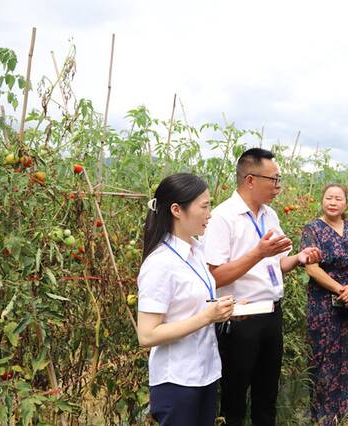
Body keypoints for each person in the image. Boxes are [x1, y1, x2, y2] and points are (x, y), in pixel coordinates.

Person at [203, 148, 321, 426]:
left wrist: (298, 259)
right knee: (234, 398)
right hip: (240, 319)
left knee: (266, 396)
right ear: (251, 180)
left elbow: (276, 264)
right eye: (274, 179)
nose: (278, 187)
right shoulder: (223, 217)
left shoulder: (270, 215)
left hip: (270, 316)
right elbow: (215, 277)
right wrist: (258, 252)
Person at [136, 173, 235, 425]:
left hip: (206, 372)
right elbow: (147, 335)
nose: (209, 214)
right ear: (177, 210)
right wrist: (206, 317)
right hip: (177, 381)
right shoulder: (160, 264)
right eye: (204, 206)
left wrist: (225, 310)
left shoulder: (197, 251)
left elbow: (194, 306)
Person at [300, 184, 348, 425]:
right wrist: (341, 290)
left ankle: (344, 412)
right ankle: (323, 418)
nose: (332, 202)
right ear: (322, 201)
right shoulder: (312, 229)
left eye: (338, 198)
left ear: (345, 204)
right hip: (322, 304)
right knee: (323, 357)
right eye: (328, 197)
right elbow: (311, 268)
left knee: (347, 355)